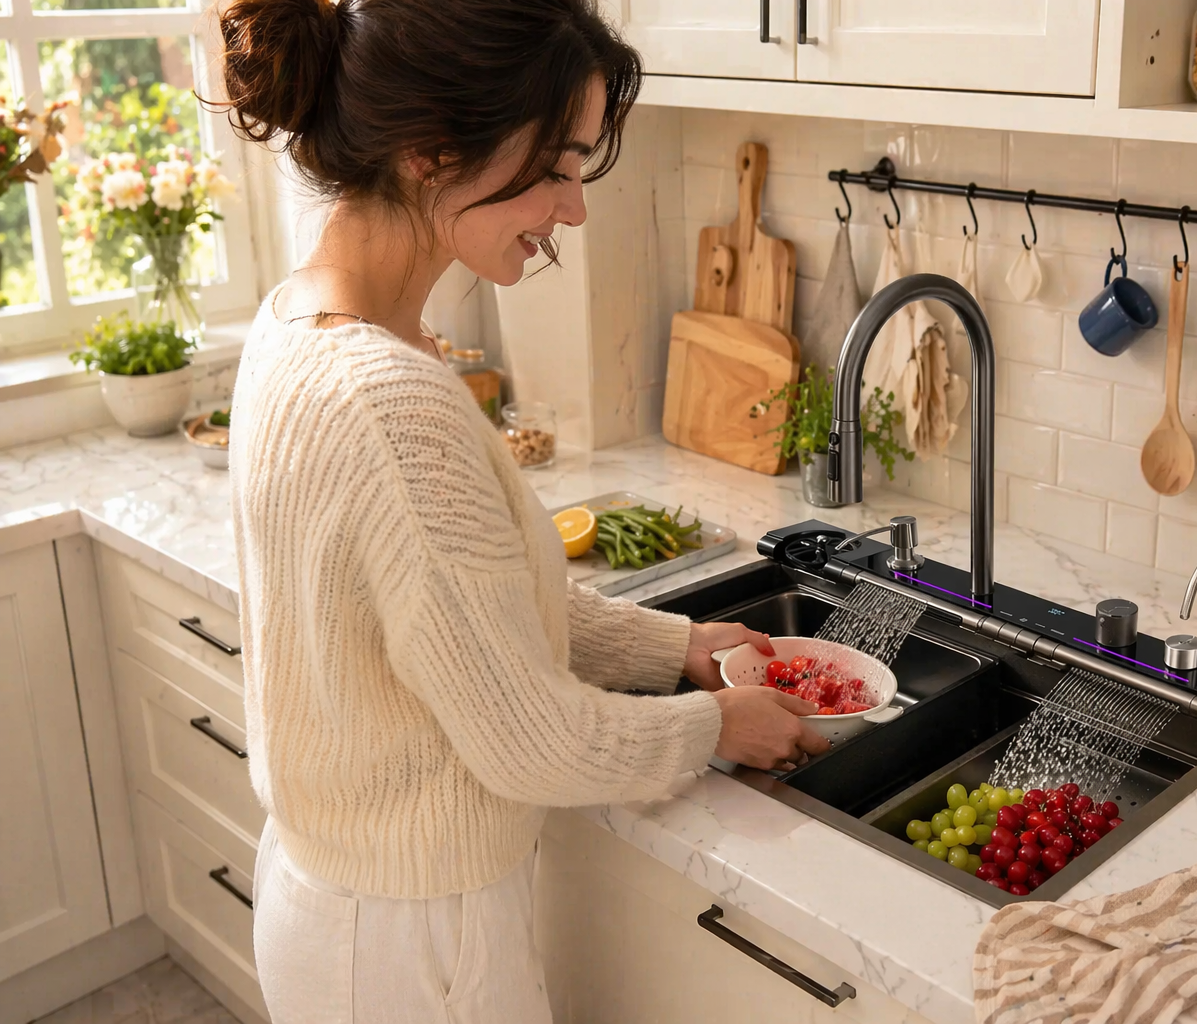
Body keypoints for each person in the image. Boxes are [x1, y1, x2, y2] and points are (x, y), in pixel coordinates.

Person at [216, 1, 829, 1019]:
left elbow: (475, 613)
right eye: (555, 166)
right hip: (412, 939)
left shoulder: (304, 320)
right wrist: (716, 721)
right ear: (429, 154)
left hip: (350, 903)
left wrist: (674, 645)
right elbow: (531, 739)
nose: (573, 210)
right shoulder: (387, 399)